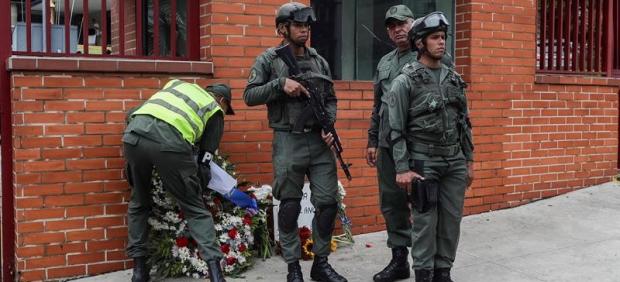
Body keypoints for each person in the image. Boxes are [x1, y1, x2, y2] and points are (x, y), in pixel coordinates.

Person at [243, 3, 347, 282]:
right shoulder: (269, 60)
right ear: (282, 29)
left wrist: (330, 124)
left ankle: (320, 263)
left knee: (327, 204)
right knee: (289, 205)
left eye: (307, 26)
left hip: (319, 141)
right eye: (298, 25)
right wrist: (280, 85)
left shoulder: (319, 61)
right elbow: (249, 95)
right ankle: (293, 267)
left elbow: (331, 99)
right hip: (288, 140)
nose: (304, 30)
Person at [123, 80, 252, 282]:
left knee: (139, 202)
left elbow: (132, 113)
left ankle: (139, 272)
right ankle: (216, 275)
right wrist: (197, 185)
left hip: (133, 136)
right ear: (222, 100)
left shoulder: (176, 85)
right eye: (227, 109)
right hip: (170, 144)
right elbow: (205, 160)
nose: (224, 113)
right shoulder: (214, 109)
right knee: (195, 209)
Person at [385, 12, 475, 282]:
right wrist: (402, 167)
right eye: (435, 38)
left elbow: (464, 124)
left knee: (450, 223)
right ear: (420, 43)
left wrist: (468, 162)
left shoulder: (454, 79)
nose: (441, 43)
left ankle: (443, 272)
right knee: (425, 225)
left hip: (454, 162)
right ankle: (423, 274)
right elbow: (396, 129)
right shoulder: (405, 81)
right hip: (424, 162)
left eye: (443, 37)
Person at [366, 5, 416, 282]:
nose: (398, 29)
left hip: (418, 145)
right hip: (386, 145)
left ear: (413, 24)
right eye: (392, 26)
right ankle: (399, 260)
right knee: (391, 203)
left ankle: (427, 262)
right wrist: (372, 140)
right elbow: (377, 106)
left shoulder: (429, 56)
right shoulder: (385, 62)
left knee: (422, 203)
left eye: (403, 23)